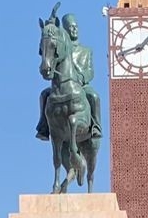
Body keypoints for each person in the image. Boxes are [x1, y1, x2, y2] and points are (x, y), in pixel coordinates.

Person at [37, 11, 102, 141]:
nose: (74, 30)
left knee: (94, 97)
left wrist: (82, 78)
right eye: (71, 27)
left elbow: (90, 71)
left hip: (81, 86)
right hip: (61, 86)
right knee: (44, 95)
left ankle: (96, 126)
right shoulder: (60, 48)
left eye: (76, 27)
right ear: (65, 30)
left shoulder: (86, 51)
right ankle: (44, 126)